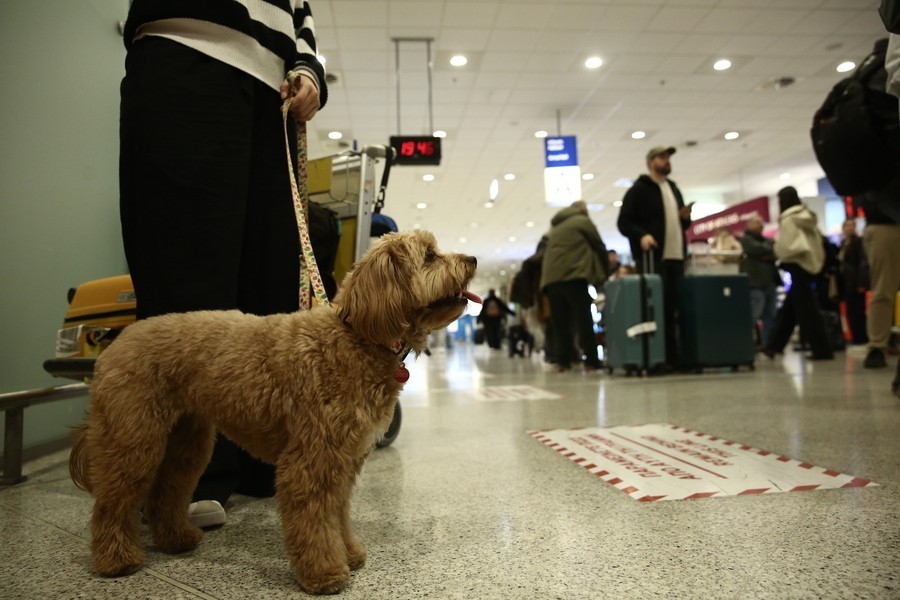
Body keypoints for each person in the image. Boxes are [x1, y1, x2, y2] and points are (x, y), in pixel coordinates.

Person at [119, 1, 328, 528]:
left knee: (270, 283)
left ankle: (259, 462)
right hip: (188, 44)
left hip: (274, 90)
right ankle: (178, 480)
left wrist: (309, 68)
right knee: (189, 274)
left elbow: (301, 11)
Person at [617, 146, 693, 367]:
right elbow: (624, 222)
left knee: (674, 305)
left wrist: (685, 218)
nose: (667, 161)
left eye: (668, 157)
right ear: (650, 162)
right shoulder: (639, 190)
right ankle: (656, 355)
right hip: (653, 257)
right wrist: (642, 235)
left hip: (676, 255)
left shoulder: (674, 188)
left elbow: (680, 223)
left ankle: (674, 355)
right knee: (656, 306)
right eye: (662, 157)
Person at [762, 187, 833, 361]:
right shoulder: (806, 217)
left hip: (796, 265)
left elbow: (788, 246)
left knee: (806, 310)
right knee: (793, 307)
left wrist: (779, 253)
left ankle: (821, 349)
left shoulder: (788, 220)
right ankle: (773, 346)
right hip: (809, 265)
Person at [540, 200, 610, 372]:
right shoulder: (583, 222)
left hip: (551, 281)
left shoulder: (555, 227)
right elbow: (599, 245)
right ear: (584, 211)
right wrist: (605, 273)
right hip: (574, 277)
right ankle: (592, 361)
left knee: (561, 323)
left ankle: (563, 361)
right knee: (584, 320)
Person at [740, 215, 780, 348]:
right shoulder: (745, 240)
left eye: (761, 222)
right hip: (755, 284)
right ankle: (745, 344)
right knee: (753, 315)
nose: (760, 224)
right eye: (757, 222)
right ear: (748, 225)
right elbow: (757, 249)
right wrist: (767, 251)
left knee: (770, 316)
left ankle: (769, 344)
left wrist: (766, 253)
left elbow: (775, 252)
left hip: (769, 283)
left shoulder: (766, 240)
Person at [838, 219, 869, 345]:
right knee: (850, 310)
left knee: (858, 311)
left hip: (855, 282)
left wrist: (861, 282)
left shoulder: (858, 242)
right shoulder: (844, 243)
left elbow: (862, 263)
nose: (849, 228)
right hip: (847, 282)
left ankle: (861, 338)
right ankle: (855, 337)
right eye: (847, 226)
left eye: (851, 226)